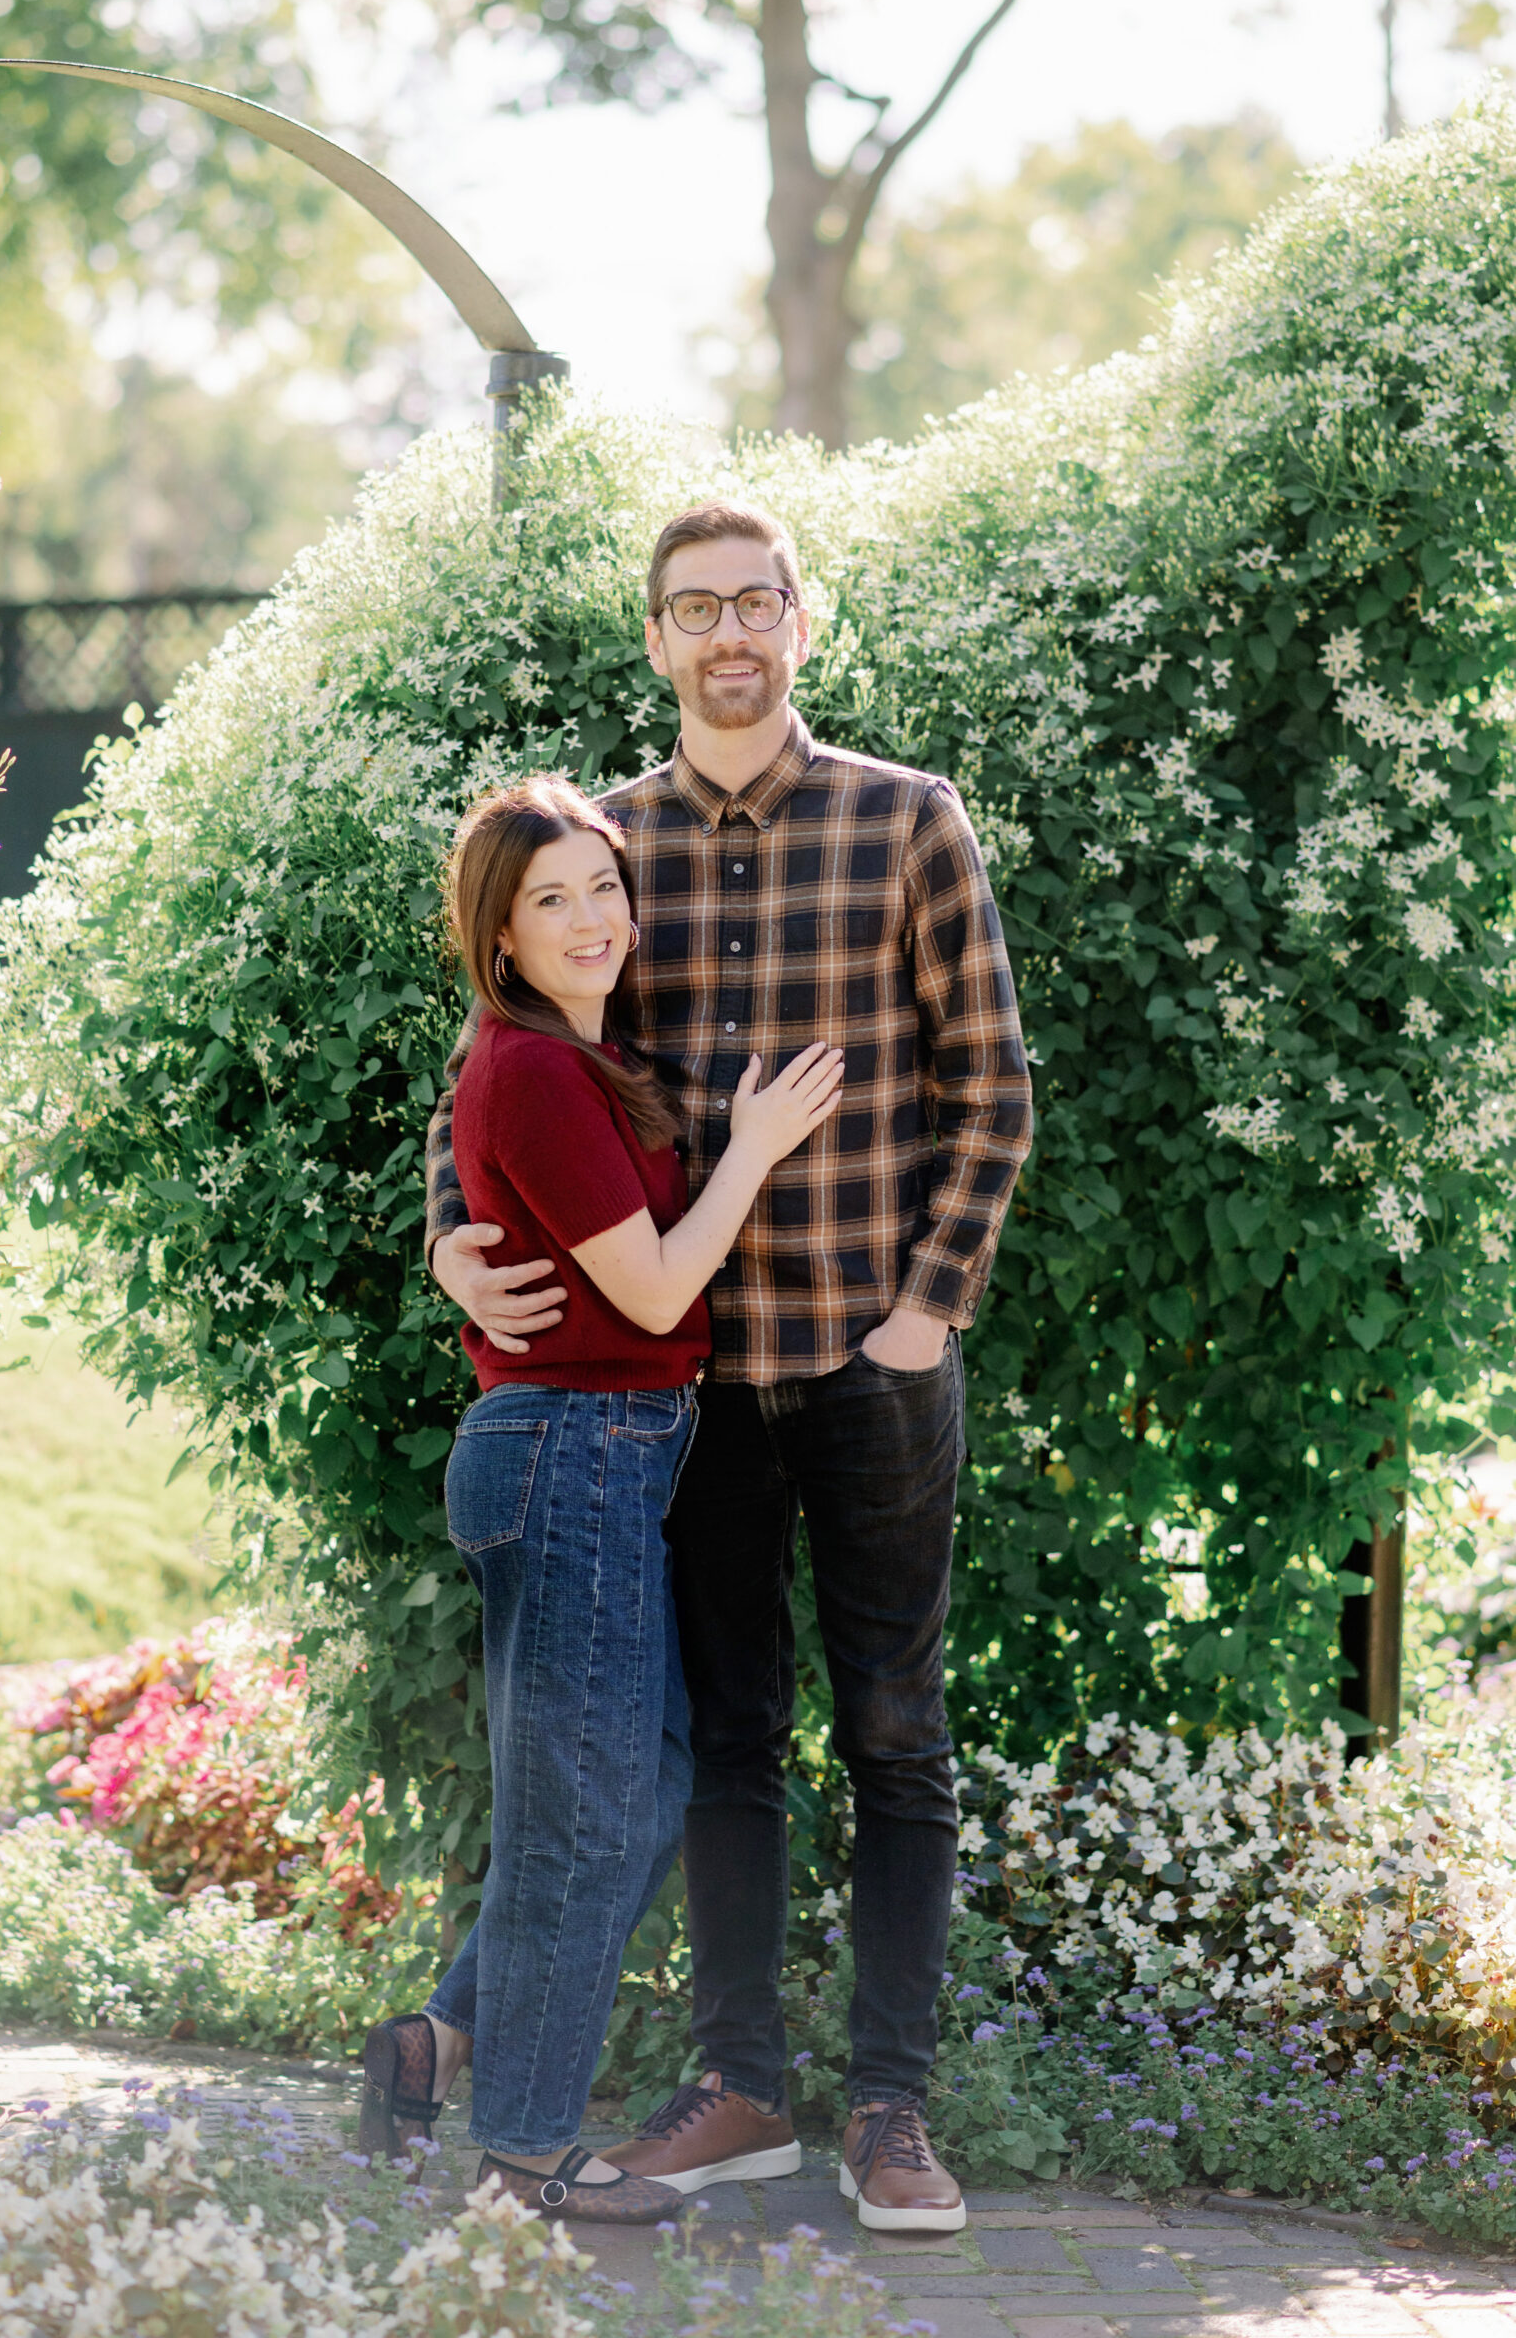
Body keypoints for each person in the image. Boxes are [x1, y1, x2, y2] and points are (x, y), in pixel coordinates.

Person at [425, 504, 1032, 2233]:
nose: (729, 636)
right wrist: (449, 1240)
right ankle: (744, 2087)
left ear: (802, 620)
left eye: (756, 602)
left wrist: (926, 1310)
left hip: (873, 1364)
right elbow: (497, 1071)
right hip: (681, 1401)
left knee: (896, 1733)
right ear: (658, 640)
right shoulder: (597, 850)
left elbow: (992, 1092)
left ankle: (894, 2112)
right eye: (695, 610)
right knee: (734, 1746)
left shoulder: (909, 819)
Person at [363, 773, 845, 2225]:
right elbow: (644, 1284)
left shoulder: (577, 1057)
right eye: (552, 899)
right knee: (593, 1813)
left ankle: (445, 2040)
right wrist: (754, 1153)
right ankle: (523, 2153)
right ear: (500, 936)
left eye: (605, 889)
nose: (593, 919)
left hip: (601, 1451)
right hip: (578, 1446)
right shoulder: (529, 1067)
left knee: (639, 1795)